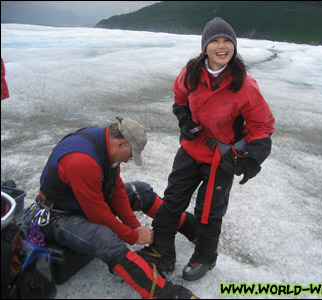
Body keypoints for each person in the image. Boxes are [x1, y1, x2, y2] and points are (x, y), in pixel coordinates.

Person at [139, 17, 275, 281]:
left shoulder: (244, 85)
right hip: (191, 151)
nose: (221, 46)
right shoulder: (190, 73)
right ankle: (162, 253)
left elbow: (261, 124)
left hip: (222, 159)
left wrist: (253, 159)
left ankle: (205, 256)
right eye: (215, 41)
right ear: (205, 47)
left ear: (234, 47)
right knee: (172, 203)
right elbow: (179, 99)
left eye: (227, 41)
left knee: (209, 211)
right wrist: (184, 120)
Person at [22, 117, 197, 299]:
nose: (129, 161)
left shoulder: (105, 146)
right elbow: (98, 216)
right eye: (130, 155)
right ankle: (167, 294)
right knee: (104, 238)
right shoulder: (82, 161)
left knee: (141, 192)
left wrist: (134, 226)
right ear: (121, 144)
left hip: (81, 205)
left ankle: (192, 228)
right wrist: (133, 236)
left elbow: (116, 191)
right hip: (58, 217)